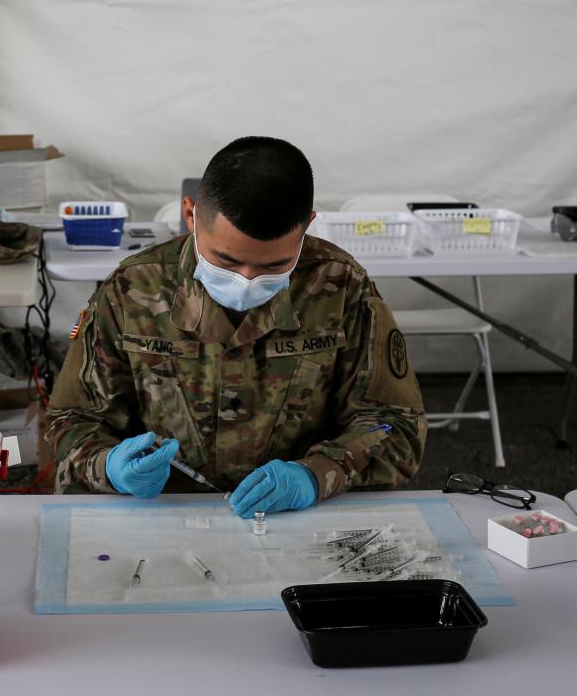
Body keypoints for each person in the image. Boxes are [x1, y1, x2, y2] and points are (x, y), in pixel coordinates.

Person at [45, 136, 427, 517]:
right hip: (164, 514)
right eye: (225, 262)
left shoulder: (341, 287)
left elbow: (395, 426)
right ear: (191, 215)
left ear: (307, 226)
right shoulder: (132, 290)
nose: (246, 280)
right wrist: (109, 467)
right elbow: (72, 421)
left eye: (273, 267)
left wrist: (316, 476)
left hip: (297, 518)